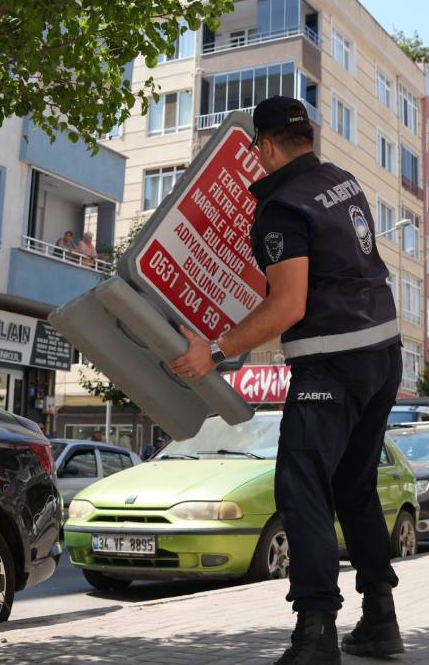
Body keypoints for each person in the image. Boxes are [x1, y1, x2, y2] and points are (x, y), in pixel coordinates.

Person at [171, 96, 403, 665]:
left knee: (301, 490)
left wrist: (217, 351)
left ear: (266, 147)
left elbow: (289, 305)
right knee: (354, 489)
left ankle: (316, 632)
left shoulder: (281, 207)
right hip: (383, 354)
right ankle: (379, 619)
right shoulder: (340, 181)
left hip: (331, 362)